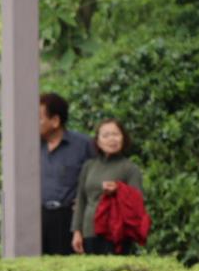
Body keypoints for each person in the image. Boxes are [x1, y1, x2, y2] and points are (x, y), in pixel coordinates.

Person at [72, 118, 144, 255]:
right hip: (89, 230)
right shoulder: (89, 166)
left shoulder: (130, 168)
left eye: (116, 134)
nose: (112, 139)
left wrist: (119, 189)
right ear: (98, 142)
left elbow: (138, 202)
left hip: (116, 232)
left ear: (123, 138)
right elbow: (81, 200)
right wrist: (77, 231)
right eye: (106, 135)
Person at [39, 93, 94, 255]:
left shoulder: (83, 145)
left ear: (55, 121)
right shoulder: (30, 145)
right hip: (37, 217)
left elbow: (97, 176)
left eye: (38, 117)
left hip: (69, 219)